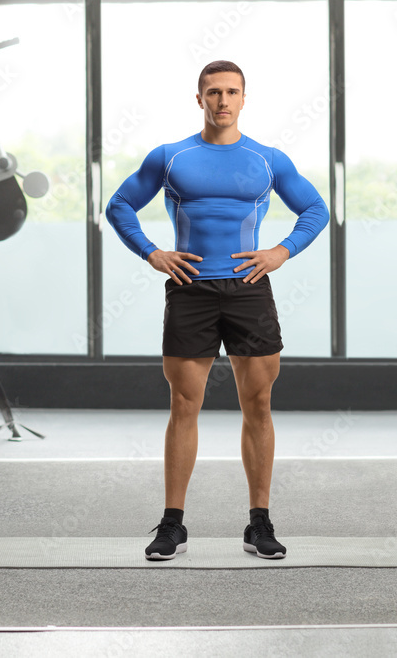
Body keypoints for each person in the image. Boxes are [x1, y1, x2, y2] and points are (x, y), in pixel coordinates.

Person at [105, 61, 329, 560]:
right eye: (213, 92)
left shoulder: (268, 159)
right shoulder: (171, 157)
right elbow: (119, 206)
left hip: (250, 288)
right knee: (184, 405)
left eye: (231, 92)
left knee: (260, 404)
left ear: (244, 99)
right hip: (190, 289)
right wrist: (152, 252)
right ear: (199, 98)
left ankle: (259, 523)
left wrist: (280, 252)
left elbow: (316, 210)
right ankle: (172, 525)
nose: (222, 100)